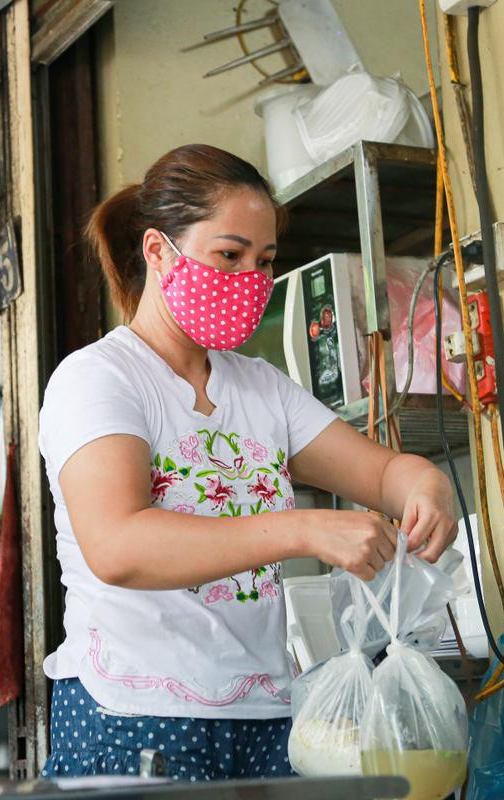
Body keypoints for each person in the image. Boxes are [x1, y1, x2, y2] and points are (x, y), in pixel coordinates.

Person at [37, 144, 458, 781]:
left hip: (263, 712)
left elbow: (381, 474)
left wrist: (427, 487)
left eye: (263, 262)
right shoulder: (99, 379)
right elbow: (118, 545)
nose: (249, 279)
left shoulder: (259, 386)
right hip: (135, 711)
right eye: (229, 256)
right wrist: (304, 529)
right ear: (158, 252)